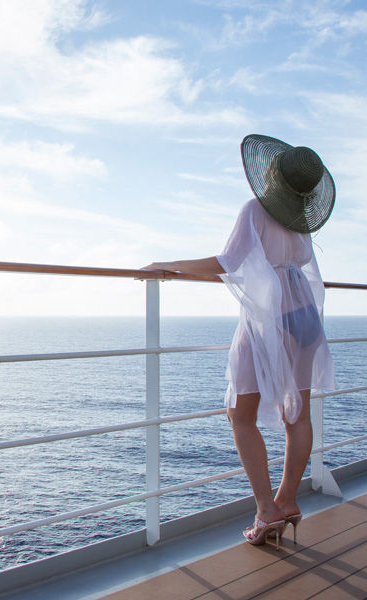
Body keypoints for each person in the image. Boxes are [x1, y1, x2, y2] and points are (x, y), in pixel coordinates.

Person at [142, 134, 336, 547]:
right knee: (298, 415)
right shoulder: (299, 221)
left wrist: (168, 266)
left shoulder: (256, 210)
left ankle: (267, 510)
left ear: (273, 176)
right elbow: (288, 265)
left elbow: (227, 262)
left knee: (239, 414)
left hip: (272, 317)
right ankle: (287, 501)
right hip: (304, 314)